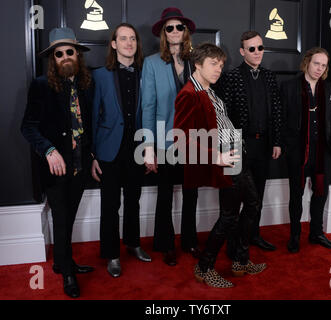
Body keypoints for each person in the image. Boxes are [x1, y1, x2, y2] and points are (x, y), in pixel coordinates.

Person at [174, 43, 267, 288]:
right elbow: (180, 139)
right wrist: (216, 157)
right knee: (228, 216)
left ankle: (240, 259)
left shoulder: (209, 90)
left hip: (236, 153)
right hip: (223, 158)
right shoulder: (189, 94)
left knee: (253, 203)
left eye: (221, 64)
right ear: (197, 64)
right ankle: (204, 267)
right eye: (213, 64)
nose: (218, 69)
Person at [21, 27, 94, 298]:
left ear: (77, 55)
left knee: (69, 217)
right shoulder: (41, 85)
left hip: (80, 164)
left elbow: (89, 126)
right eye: (58, 53)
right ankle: (67, 274)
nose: (64, 57)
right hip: (55, 167)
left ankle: (63, 261)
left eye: (69, 52)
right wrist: (49, 150)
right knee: (61, 219)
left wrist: (93, 156)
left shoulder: (86, 84)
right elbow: (27, 127)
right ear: (53, 58)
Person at [91, 23, 151, 278]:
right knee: (110, 205)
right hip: (108, 150)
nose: (129, 43)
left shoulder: (144, 73)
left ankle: (133, 243)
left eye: (133, 39)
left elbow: (148, 111)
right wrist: (92, 155)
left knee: (134, 202)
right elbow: (93, 115)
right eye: (123, 39)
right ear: (114, 44)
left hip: (136, 148)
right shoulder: (99, 75)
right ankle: (112, 254)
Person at [141, 7, 199, 266]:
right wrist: (148, 147)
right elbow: (148, 107)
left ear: (185, 31)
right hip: (164, 140)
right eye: (170, 28)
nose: (175, 31)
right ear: (164, 33)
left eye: (179, 27)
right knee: (165, 195)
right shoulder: (152, 63)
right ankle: (166, 244)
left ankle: (189, 241)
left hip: (195, 141)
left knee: (191, 194)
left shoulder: (196, 61)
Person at [215, 31, 282, 252]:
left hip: (264, 145)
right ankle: (233, 241)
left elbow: (277, 112)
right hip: (237, 144)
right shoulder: (231, 77)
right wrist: (226, 148)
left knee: (258, 195)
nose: (256, 53)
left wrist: (277, 142)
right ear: (242, 51)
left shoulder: (270, 77)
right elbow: (222, 116)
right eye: (251, 49)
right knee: (234, 198)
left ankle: (253, 235)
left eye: (260, 48)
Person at [280, 47, 331, 253]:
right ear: (307, 62)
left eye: (323, 65)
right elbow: (281, 119)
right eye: (316, 63)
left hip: (323, 152)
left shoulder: (330, 89)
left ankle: (316, 233)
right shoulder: (289, 87)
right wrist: (286, 146)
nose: (319, 68)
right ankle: (295, 235)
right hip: (298, 152)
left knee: (320, 193)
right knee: (296, 195)